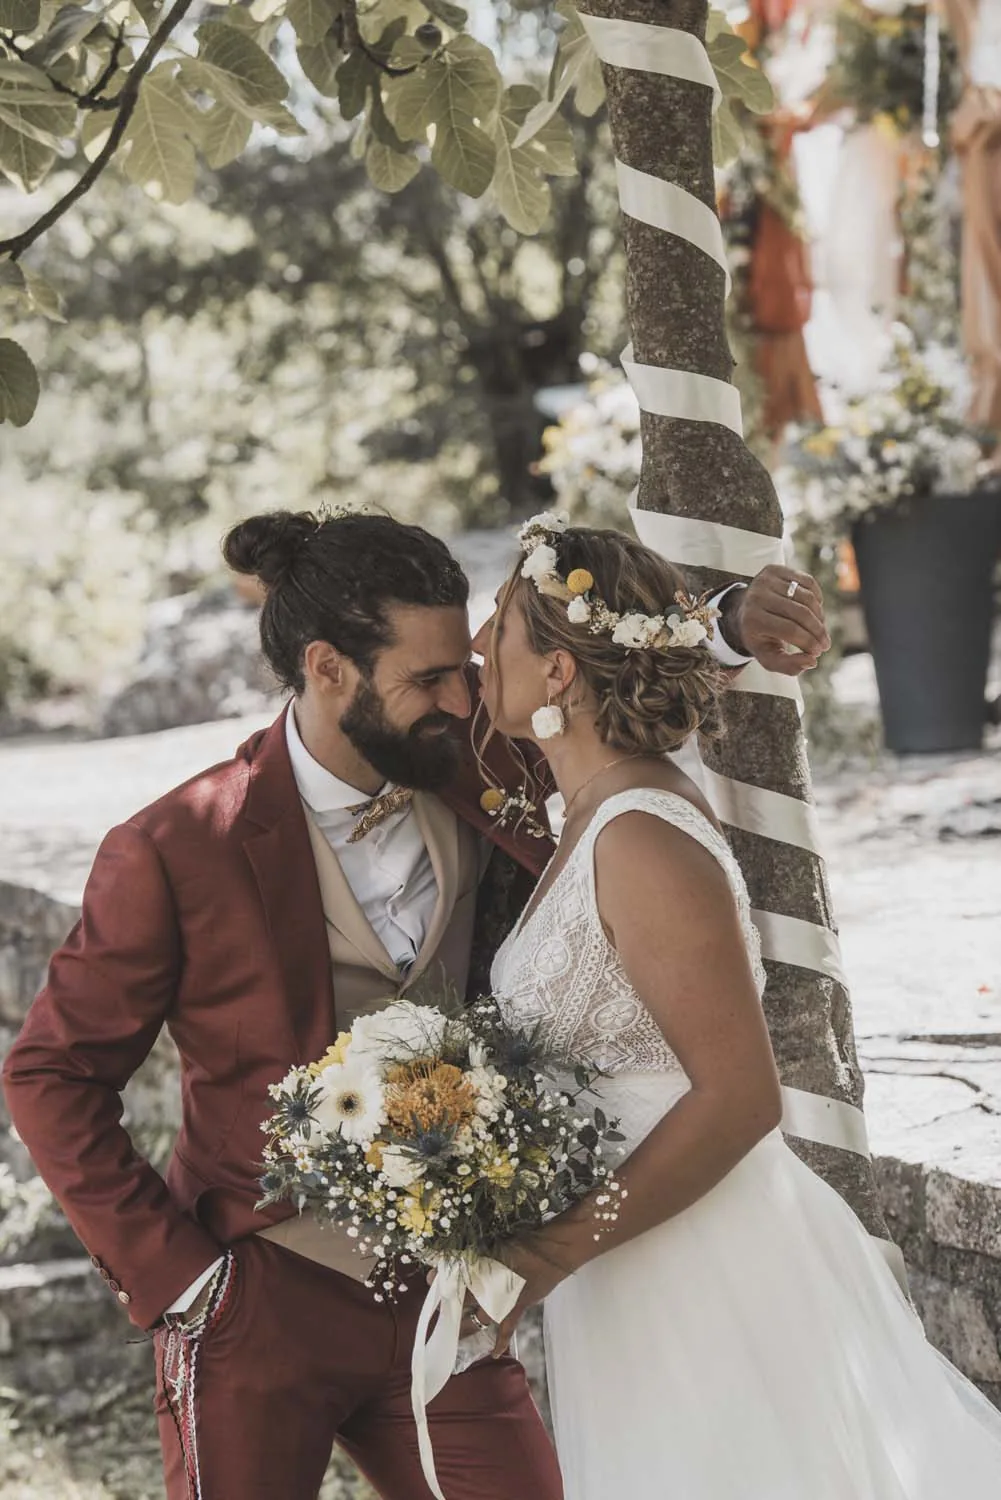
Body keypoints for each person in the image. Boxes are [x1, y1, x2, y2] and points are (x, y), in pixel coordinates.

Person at [2, 508, 828, 1500]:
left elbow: (599, 686)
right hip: (256, 1295)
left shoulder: (471, 760)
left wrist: (732, 622)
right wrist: (183, 1280)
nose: (464, 695)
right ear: (327, 669)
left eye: (467, 670)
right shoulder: (179, 845)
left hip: (447, 1296)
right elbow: (52, 1074)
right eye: (430, 678)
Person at [475, 513, 1001, 1500]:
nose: (473, 645)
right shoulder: (585, 812)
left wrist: (542, 1254)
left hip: (704, 1260)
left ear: (556, 675)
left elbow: (739, 1098)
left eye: (498, 625)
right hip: (629, 1265)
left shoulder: (639, 837)